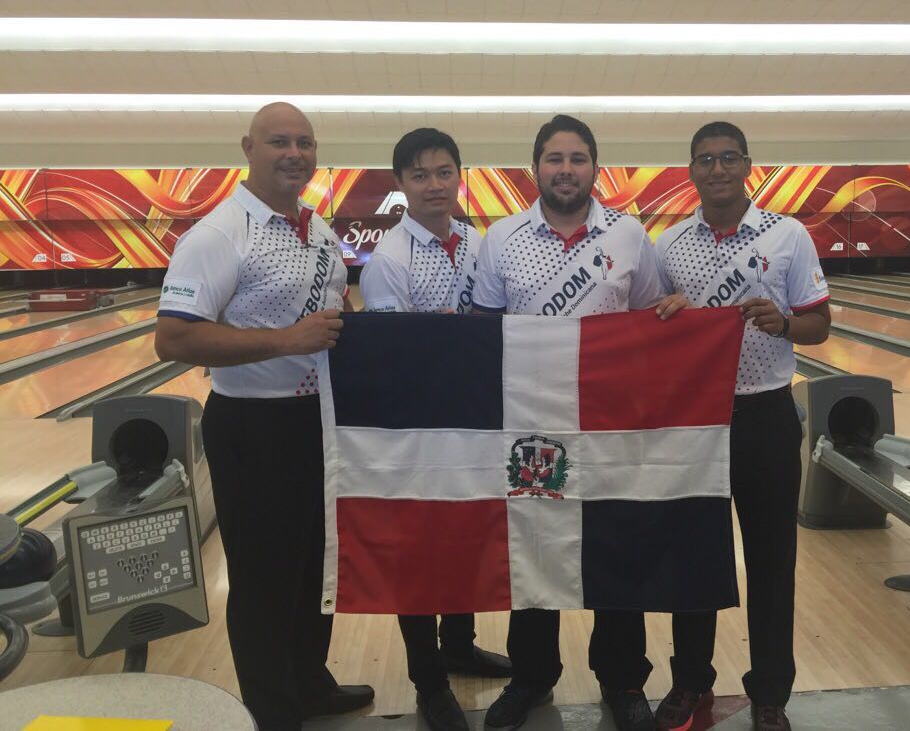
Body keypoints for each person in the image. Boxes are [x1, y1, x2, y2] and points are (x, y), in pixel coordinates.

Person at [154, 101, 374, 731]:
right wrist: (285, 339)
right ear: (247, 147)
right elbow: (173, 339)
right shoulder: (219, 235)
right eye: (279, 141)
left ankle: (308, 684)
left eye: (304, 142)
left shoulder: (317, 228)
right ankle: (273, 712)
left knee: (314, 565)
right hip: (254, 427)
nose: (294, 154)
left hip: (318, 424)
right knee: (263, 578)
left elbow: (333, 317)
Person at [472, 115, 675, 731]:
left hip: (609, 425)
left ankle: (622, 680)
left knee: (616, 547)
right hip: (532, 428)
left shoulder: (630, 235)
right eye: (555, 158)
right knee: (533, 551)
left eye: (578, 158)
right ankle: (531, 675)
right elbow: (484, 333)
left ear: (595, 166)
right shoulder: (503, 236)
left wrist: (682, 317)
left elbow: (651, 322)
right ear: (536, 166)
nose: (566, 169)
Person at [653, 121, 831, 731]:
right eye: (706, 159)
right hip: (695, 422)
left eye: (729, 158)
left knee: (772, 560)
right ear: (692, 171)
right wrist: (669, 315)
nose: (718, 168)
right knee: (694, 558)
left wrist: (782, 324)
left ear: (747, 165)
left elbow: (819, 324)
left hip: (766, 415)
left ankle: (771, 693)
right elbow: (651, 329)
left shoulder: (788, 236)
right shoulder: (670, 244)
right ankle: (690, 683)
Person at [359, 127, 513, 731]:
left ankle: (460, 644)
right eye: (419, 175)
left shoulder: (478, 245)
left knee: (467, 534)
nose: (433, 185)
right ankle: (429, 679)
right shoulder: (388, 263)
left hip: (473, 420)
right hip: (416, 428)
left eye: (444, 172)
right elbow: (397, 359)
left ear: (459, 177)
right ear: (399, 185)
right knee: (420, 552)